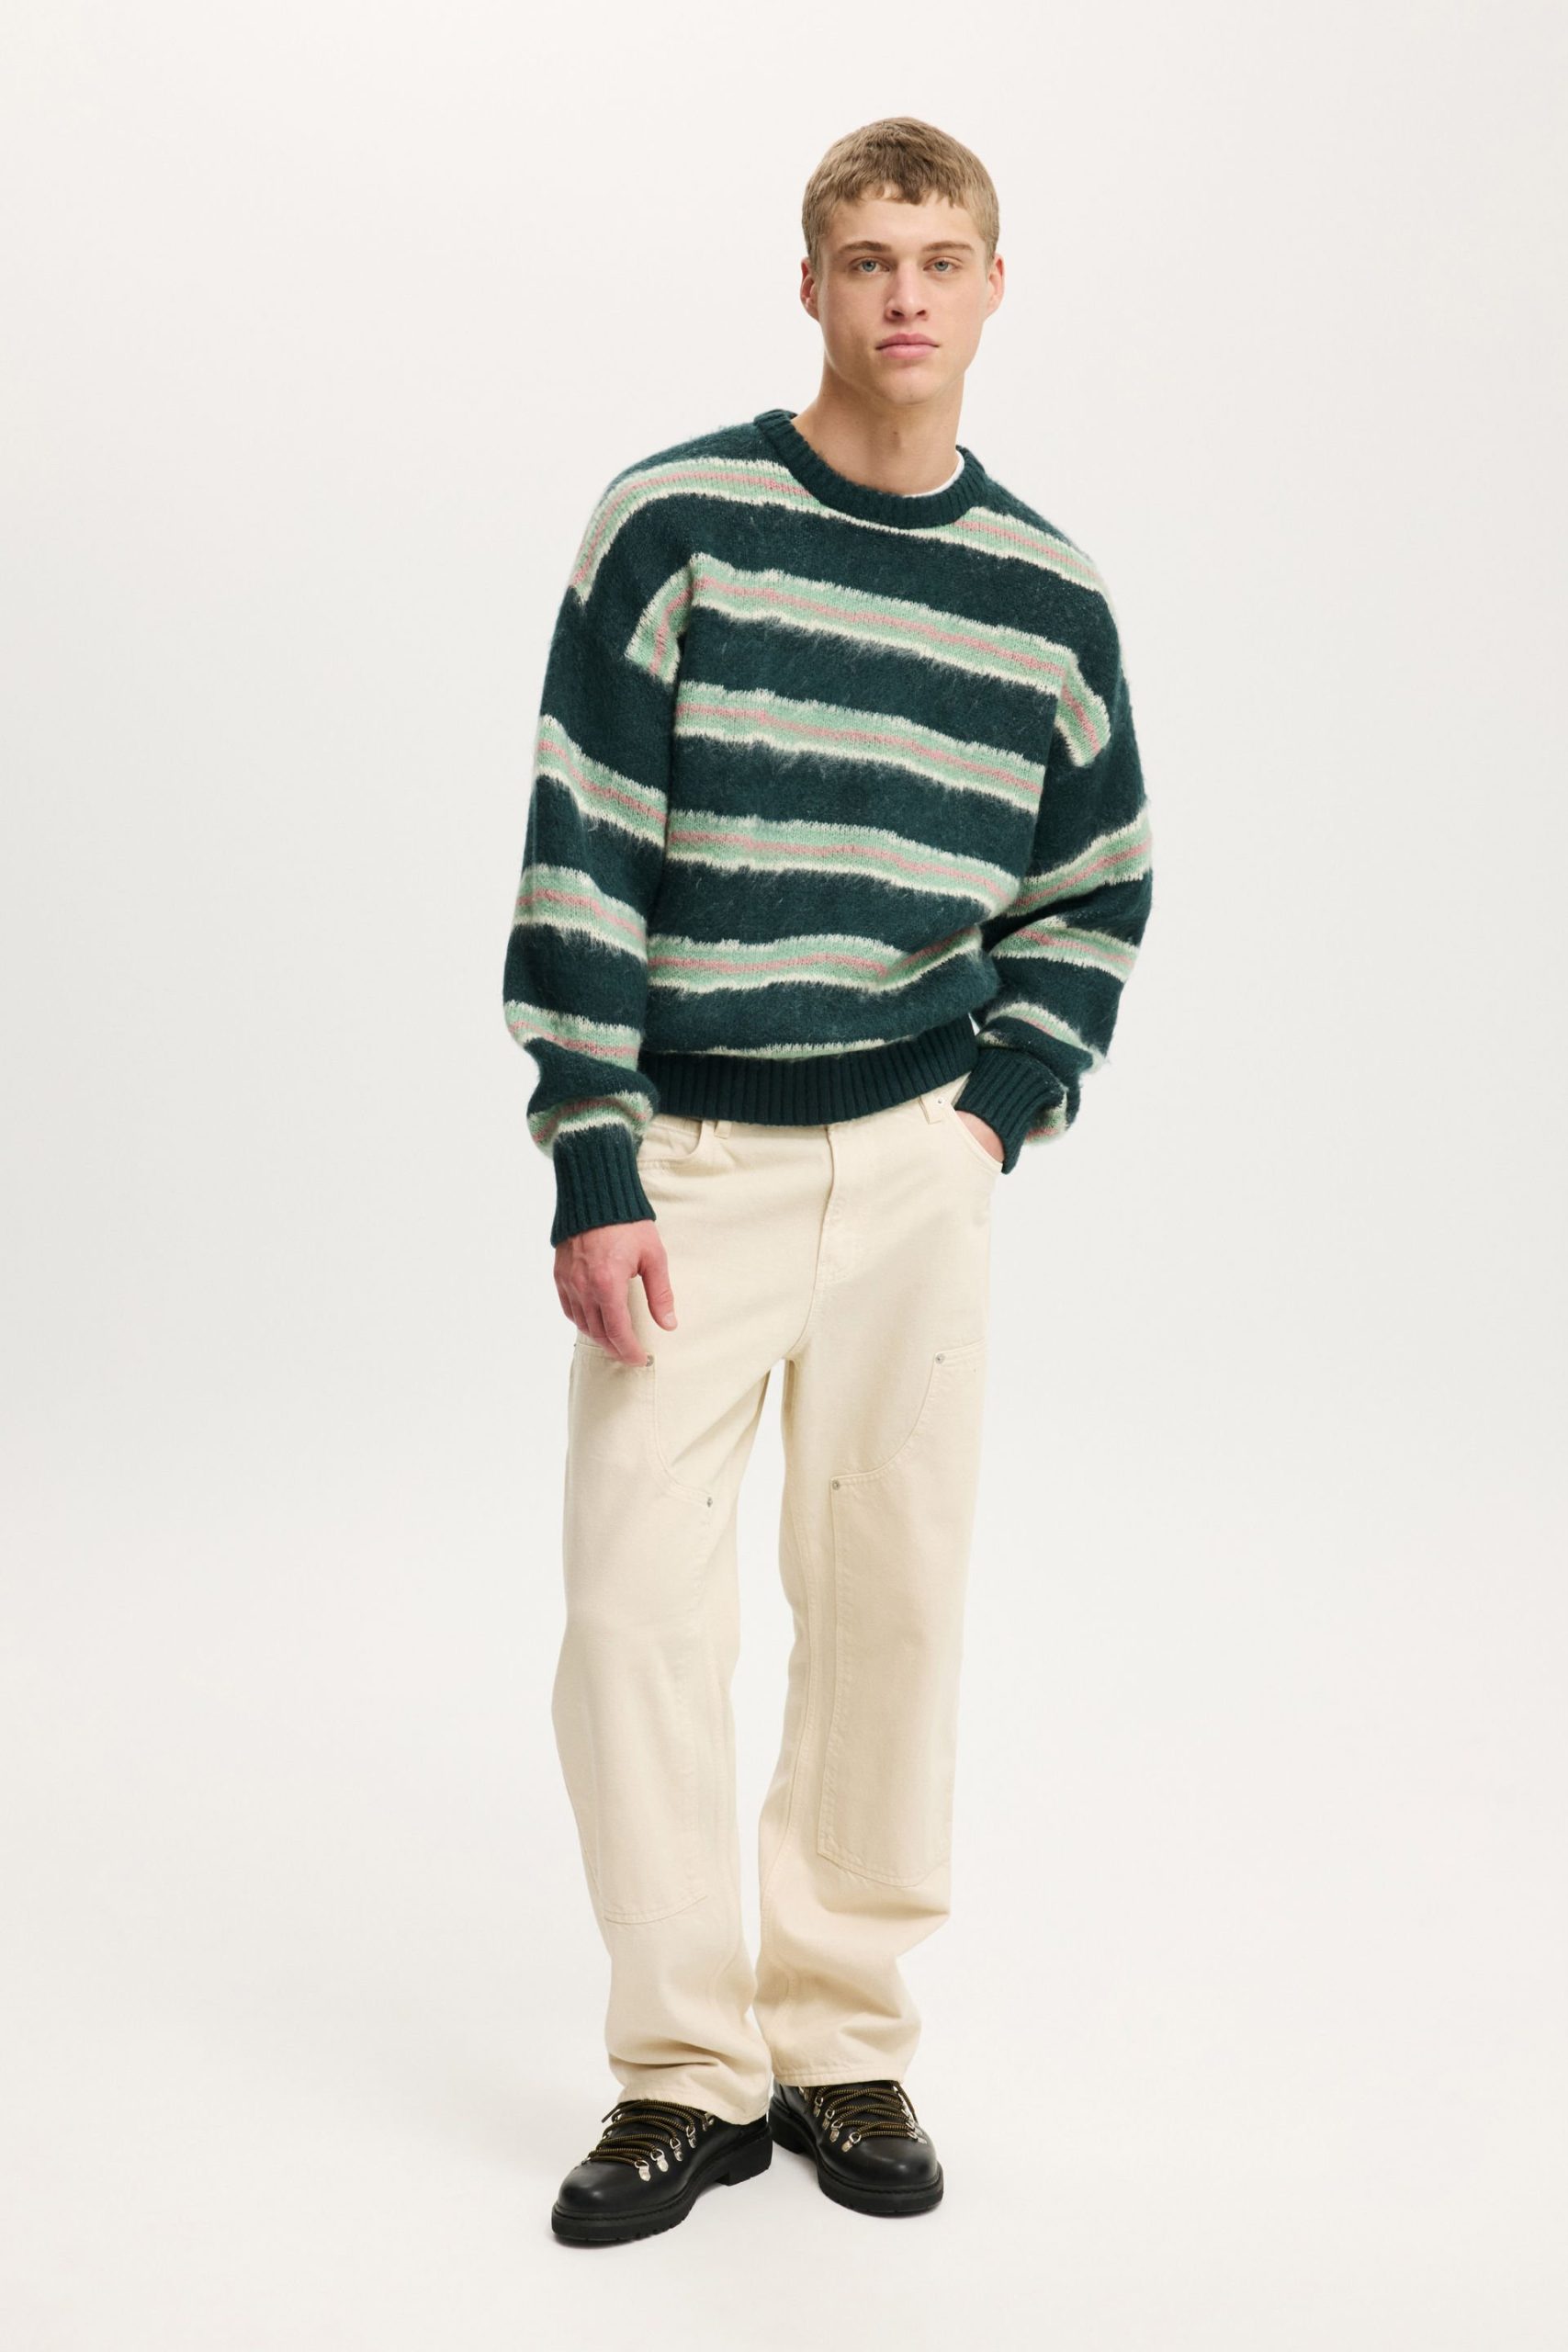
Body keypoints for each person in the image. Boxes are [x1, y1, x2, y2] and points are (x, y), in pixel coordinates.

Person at [502, 114, 1155, 2247]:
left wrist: (990, 1112)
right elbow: (584, 841)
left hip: (910, 1167)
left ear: (990, 289)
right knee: (631, 1617)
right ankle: (678, 2065)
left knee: (886, 1606)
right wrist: (591, 1150)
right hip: (683, 1162)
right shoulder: (676, 521)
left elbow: (1092, 883)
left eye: (938, 258)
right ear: (807, 286)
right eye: (866, 258)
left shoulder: (1043, 592)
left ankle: (839, 2034)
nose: (902, 294)